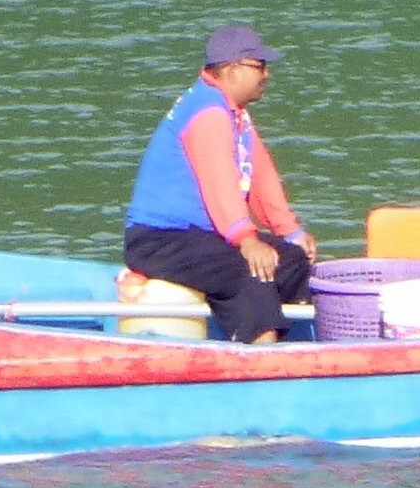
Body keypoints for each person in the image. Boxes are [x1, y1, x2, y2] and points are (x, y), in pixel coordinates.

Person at [122, 23, 319, 342]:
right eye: (259, 66)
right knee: (253, 271)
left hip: (203, 236)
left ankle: (296, 342)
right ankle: (261, 352)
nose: (267, 74)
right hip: (160, 239)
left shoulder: (235, 113)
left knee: (292, 261)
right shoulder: (207, 112)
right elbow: (219, 185)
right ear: (231, 69)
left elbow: (261, 176)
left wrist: (290, 232)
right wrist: (247, 240)